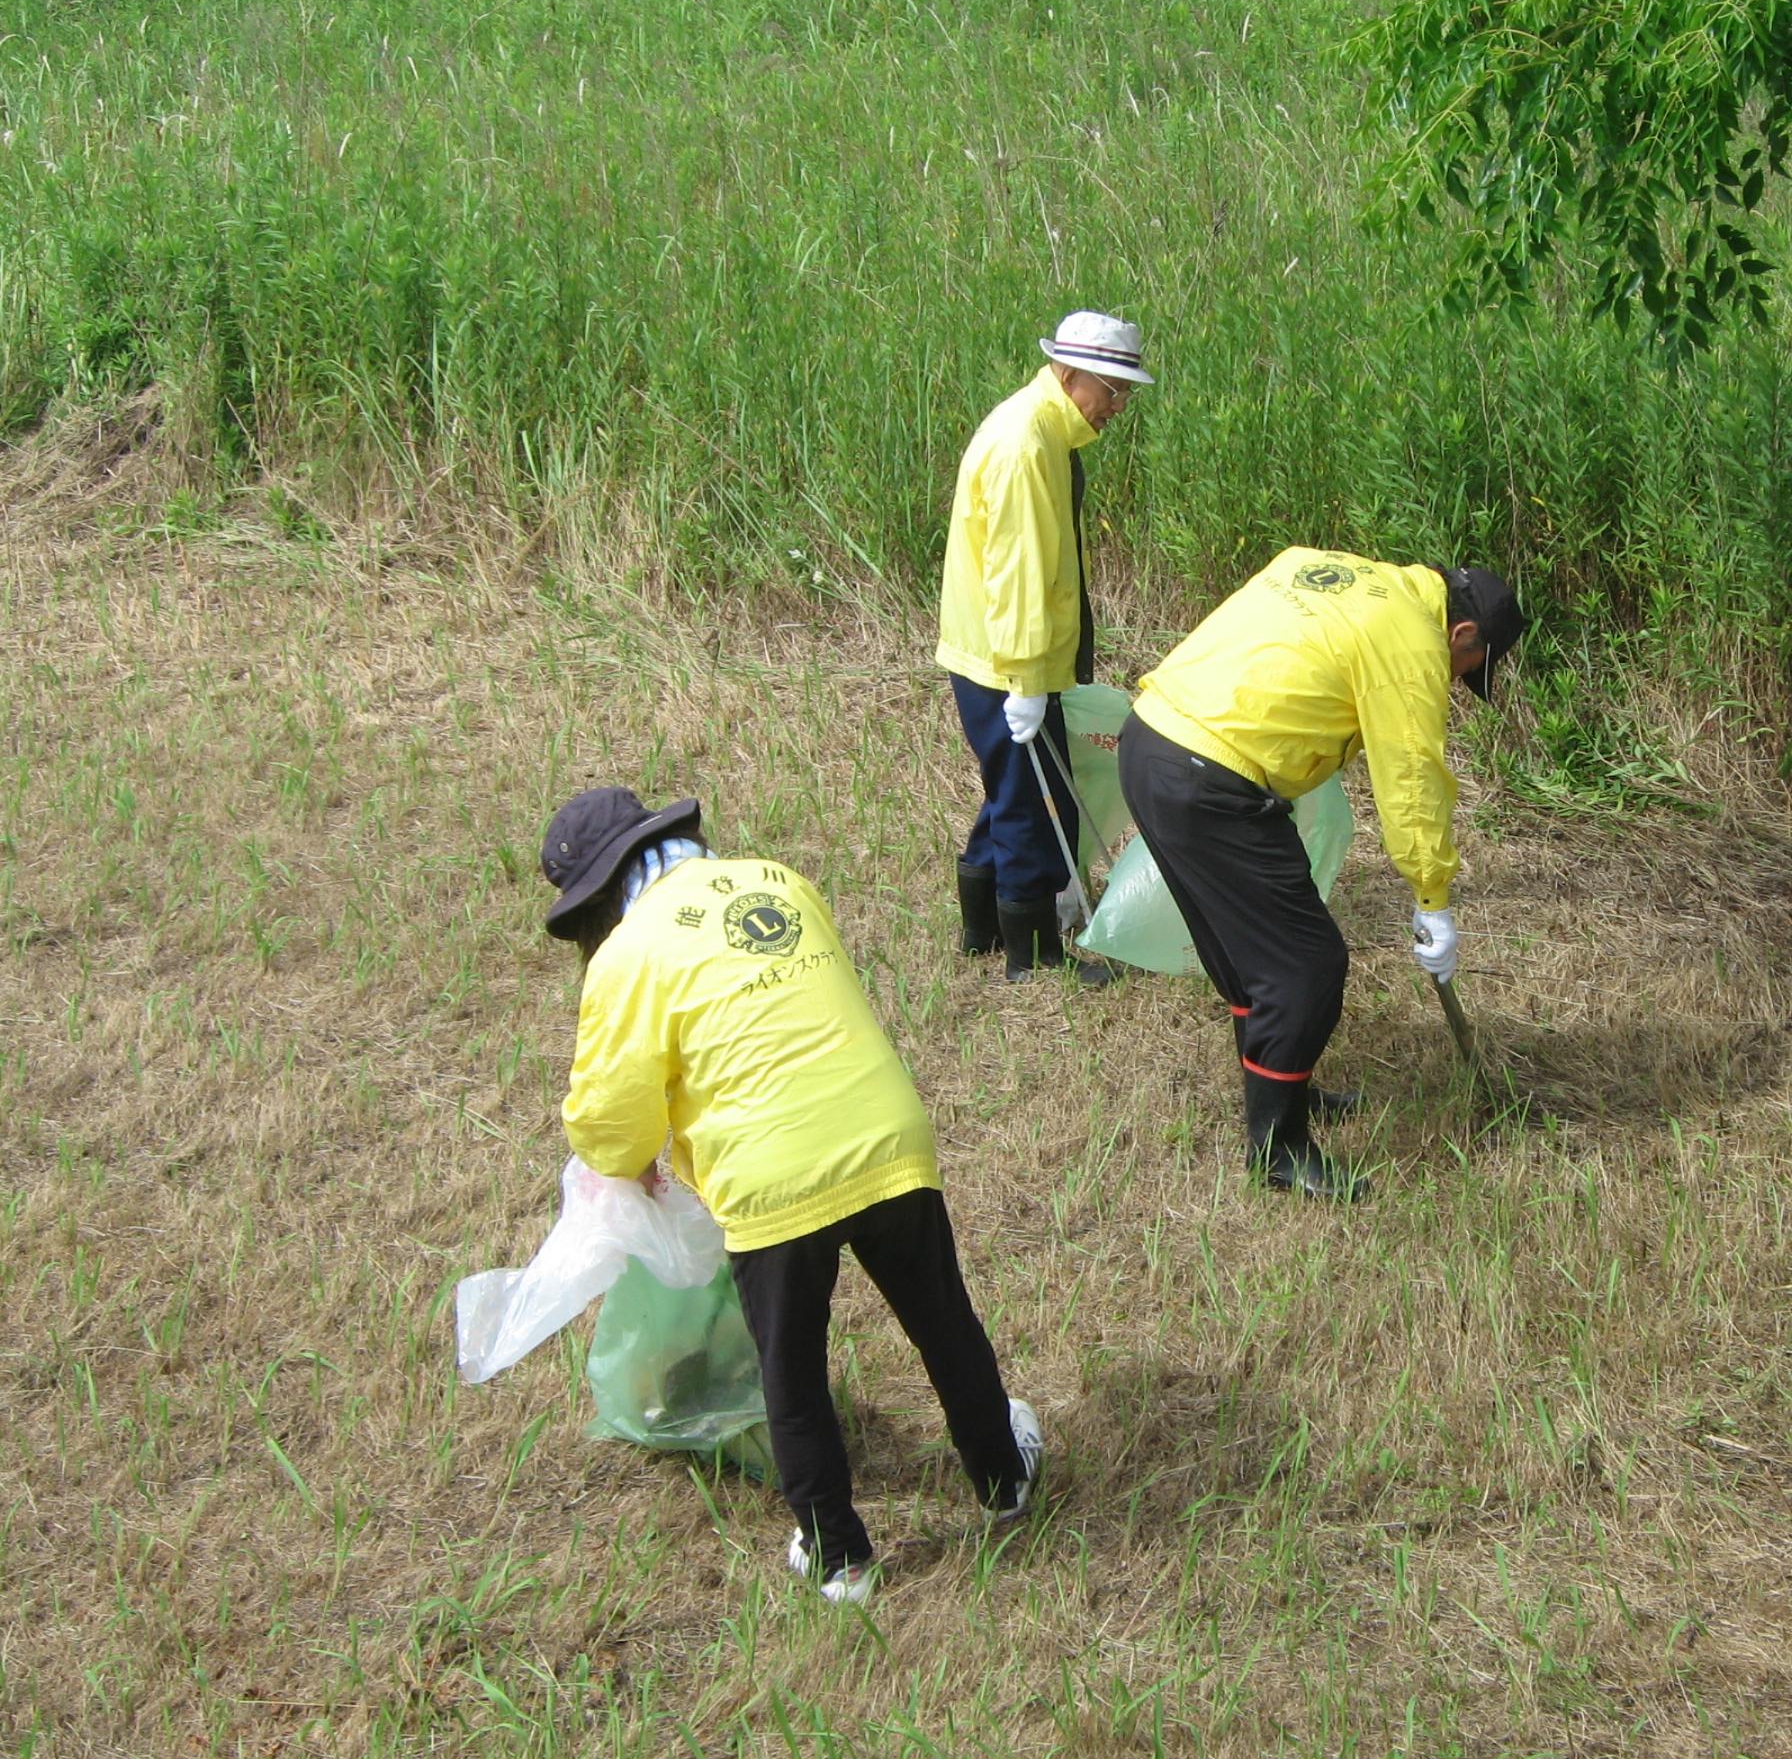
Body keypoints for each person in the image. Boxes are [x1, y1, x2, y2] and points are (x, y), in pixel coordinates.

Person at [539, 786, 1044, 1602]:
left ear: (600, 895)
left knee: (792, 1369)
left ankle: (838, 1554)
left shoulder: (625, 956)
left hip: (769, 1183)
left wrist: (634, 1167)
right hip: (885, 1135)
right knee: (942, 1318)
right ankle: (1002, 1478)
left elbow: (610, 1118)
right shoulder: (779, 880)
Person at [1118, 548, 1527, 1200]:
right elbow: (1412, 777)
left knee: (1251, 957)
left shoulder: (1346, 574)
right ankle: (1278, 1153)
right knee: (1304, 965)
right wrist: (1433, 894)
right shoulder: (1411, 642)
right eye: (1463, 670)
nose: (1453, 682)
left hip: (1153, 739)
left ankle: (1284, 1092)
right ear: (1462, 634)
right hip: (1209, 777)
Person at [936, 311, 1154, 986]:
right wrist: (1028, 680)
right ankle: (1035, 961)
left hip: (1005, 657)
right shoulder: (1027, 445)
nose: (1118, 406)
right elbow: (1020, 574)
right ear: (1068, 376)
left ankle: (981, 929)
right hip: (1004, 661)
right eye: (1111, 390)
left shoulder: (1048, 431)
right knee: (1033, 801)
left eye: (1126, 392)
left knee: (1014, 788)